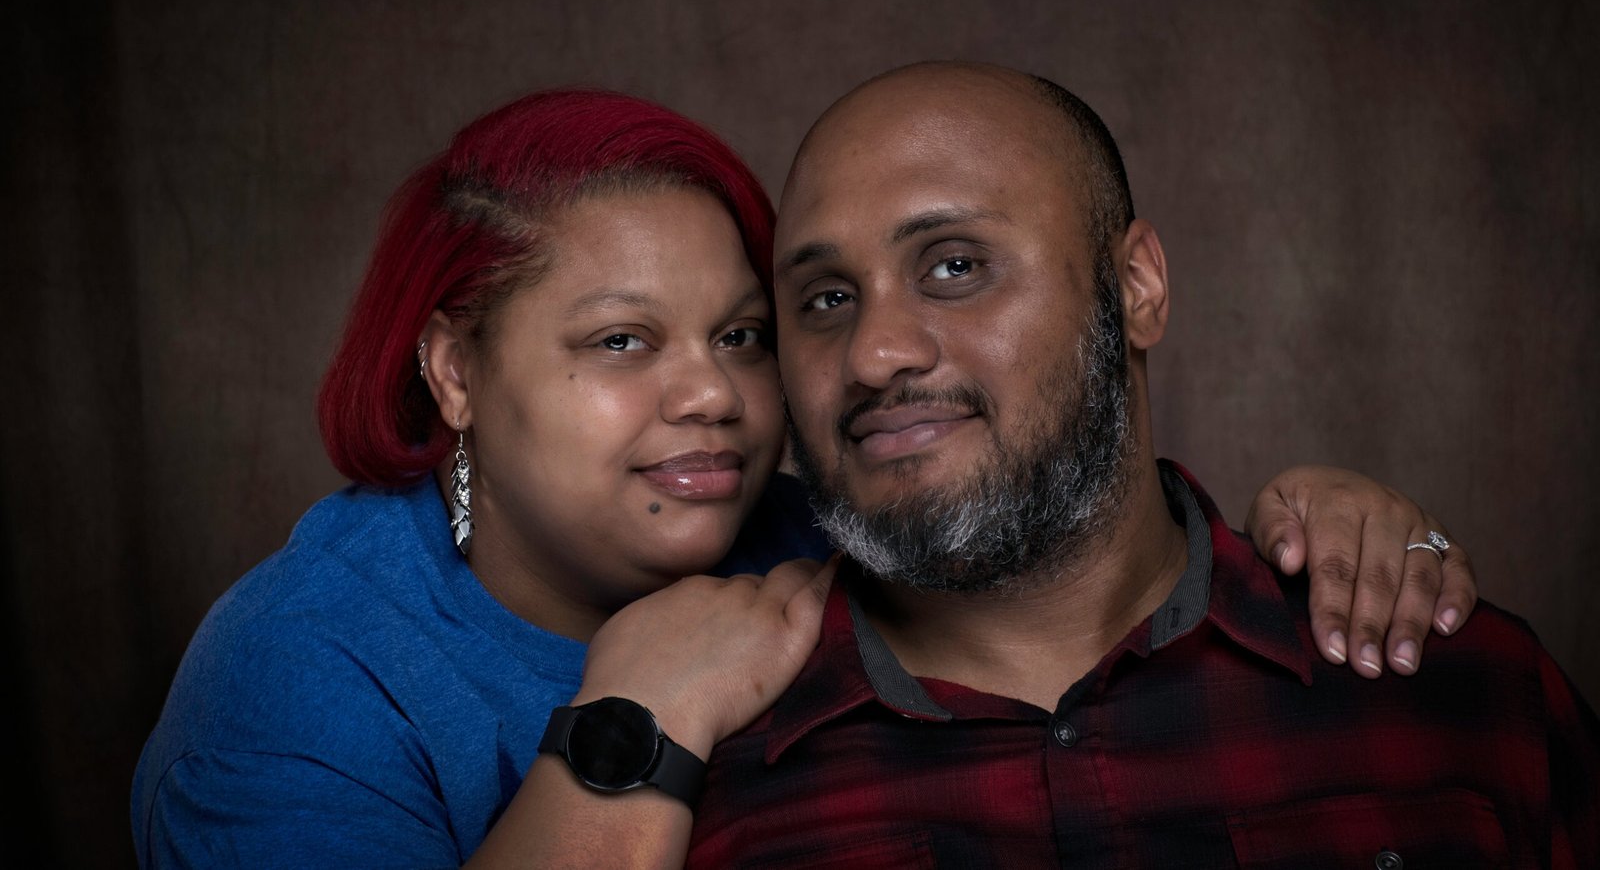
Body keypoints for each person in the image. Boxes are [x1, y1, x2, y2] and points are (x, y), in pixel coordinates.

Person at [132, 87, 1478, 868]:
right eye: (621, 341)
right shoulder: (303, 670)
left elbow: (1067, 521)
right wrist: (635, 718)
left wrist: (1313, 520)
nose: (714, 394)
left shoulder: (812, 534)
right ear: (454, 372)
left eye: (743, 335)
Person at [686, 62, 1599, 868]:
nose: (874, 353)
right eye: (826, 298)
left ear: (1137, 286)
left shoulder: (1466, 694)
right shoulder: (695, 779)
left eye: (955, 266)